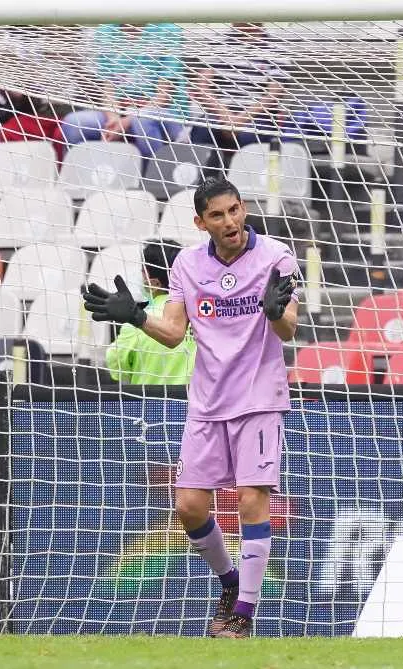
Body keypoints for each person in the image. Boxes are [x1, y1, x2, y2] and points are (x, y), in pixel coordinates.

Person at [82, 177, 298, 638]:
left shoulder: (275, 255)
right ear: (201, 223)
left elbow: (289, 330)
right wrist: (136, 316)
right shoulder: (187, 265)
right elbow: (174, 333)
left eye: (235, 210)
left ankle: (243, 614)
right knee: (189, 506)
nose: (230, 221)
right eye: (218, 215)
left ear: (243, 209)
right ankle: (231, 582)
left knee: (251, 499)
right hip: (207, 401)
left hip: (259, 398)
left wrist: (276, 311)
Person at [61, 23, 188, 159]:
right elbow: (108, 91)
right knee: (74, 122)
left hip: (163, 113)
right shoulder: (106, 32)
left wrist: (125, 123)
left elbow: (163, 97)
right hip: (120, 113)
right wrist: (114, 119)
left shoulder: (168, 31)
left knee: (142, 121)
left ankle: (154, 171)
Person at [188, 23, 290, 161]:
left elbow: (273, 95)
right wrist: (225, 116)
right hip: (219, 113)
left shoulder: (276, 47)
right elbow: (202, 87)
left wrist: (240, 120)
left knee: (249, 136)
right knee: (202, 130)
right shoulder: (217, 42)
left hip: (256, 117)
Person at [105, 240, 196, 384]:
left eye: (142, 271)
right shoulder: (204, 316)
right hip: (198, 398)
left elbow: (117, 368)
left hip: (149, 398)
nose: (140, 276)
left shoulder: (135, 323)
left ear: (155, 283)